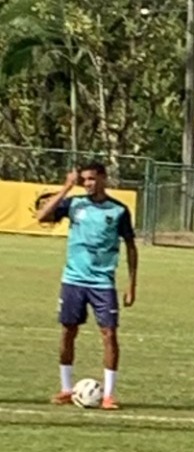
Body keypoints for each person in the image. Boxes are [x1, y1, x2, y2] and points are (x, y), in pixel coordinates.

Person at [37, 162, 138, 409]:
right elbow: (42, 216)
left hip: (102, 282)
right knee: (68, 331)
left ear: (103, 178)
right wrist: (66, 187)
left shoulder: (118, 210)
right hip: (73, 280)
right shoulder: (74, 203)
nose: (88, 184)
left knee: (109, 334)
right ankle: (66, 389)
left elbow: (131, 247)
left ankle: (108, 395)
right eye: (84, 180)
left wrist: (131, 284)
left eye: (92, 179)